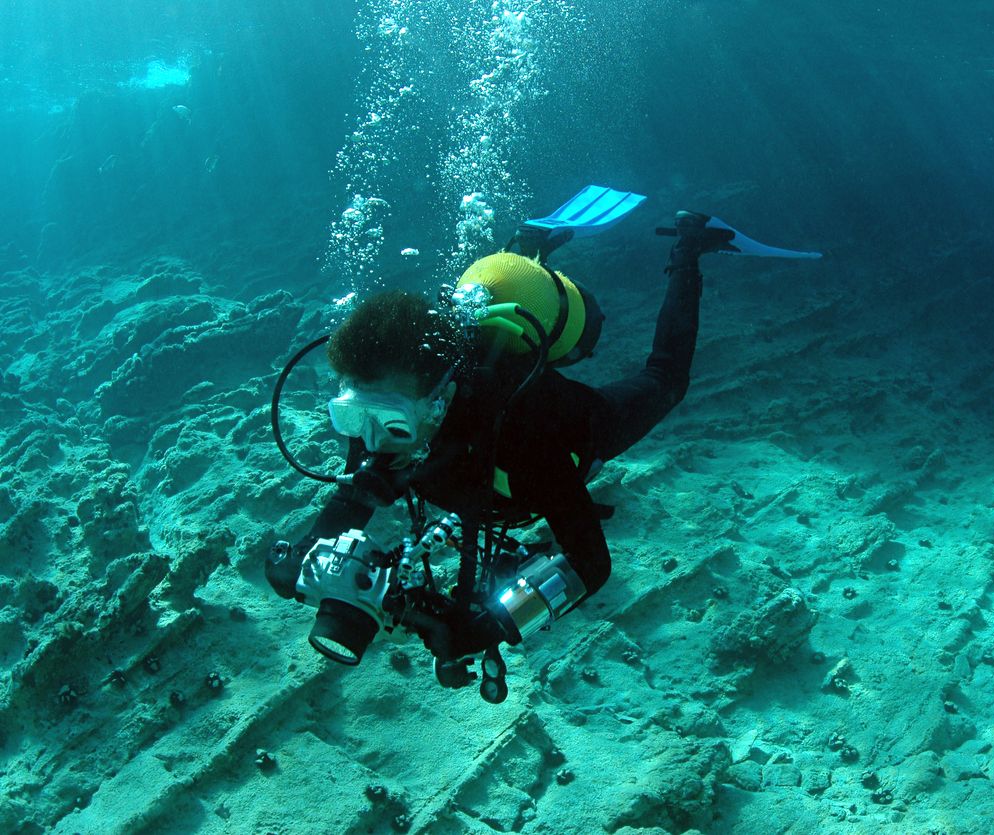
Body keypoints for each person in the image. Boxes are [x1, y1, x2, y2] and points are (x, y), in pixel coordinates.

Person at [265, 211, 734, 685]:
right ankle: (526, 247)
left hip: (579, 427)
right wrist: (304, 552)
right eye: (352, 417)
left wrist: (493, 626)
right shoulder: (378, 413)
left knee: (665, 380)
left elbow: (591, 563)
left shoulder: (523, 434)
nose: (370, 444)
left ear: (439, 401)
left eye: (389, 423)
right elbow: (353, 498)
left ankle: (687, 251)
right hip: (477, 452)